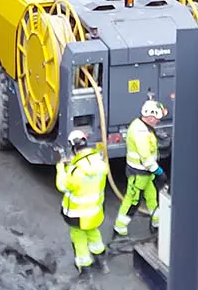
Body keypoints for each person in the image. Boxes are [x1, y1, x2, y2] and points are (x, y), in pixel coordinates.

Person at [56, 128, 109, 271]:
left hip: (77, 215)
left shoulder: (75, 171)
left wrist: (61, 168)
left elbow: (62, 185)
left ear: (73, 148)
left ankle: (85, 267)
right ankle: (101, 261)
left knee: (78, 237)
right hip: (95, 212)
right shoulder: (99, 163)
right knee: (93, 233)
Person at [115, 99, 166, 235]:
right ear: (150, 117)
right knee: (132, 200)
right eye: (157, 119)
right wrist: (158, 171)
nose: (158, 121)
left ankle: (157, 221)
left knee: (151, 197)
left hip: (145, 172)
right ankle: (120, 226)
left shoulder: (142, 126)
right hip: (139, 172)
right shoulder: (141, 132)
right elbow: (145, 157)